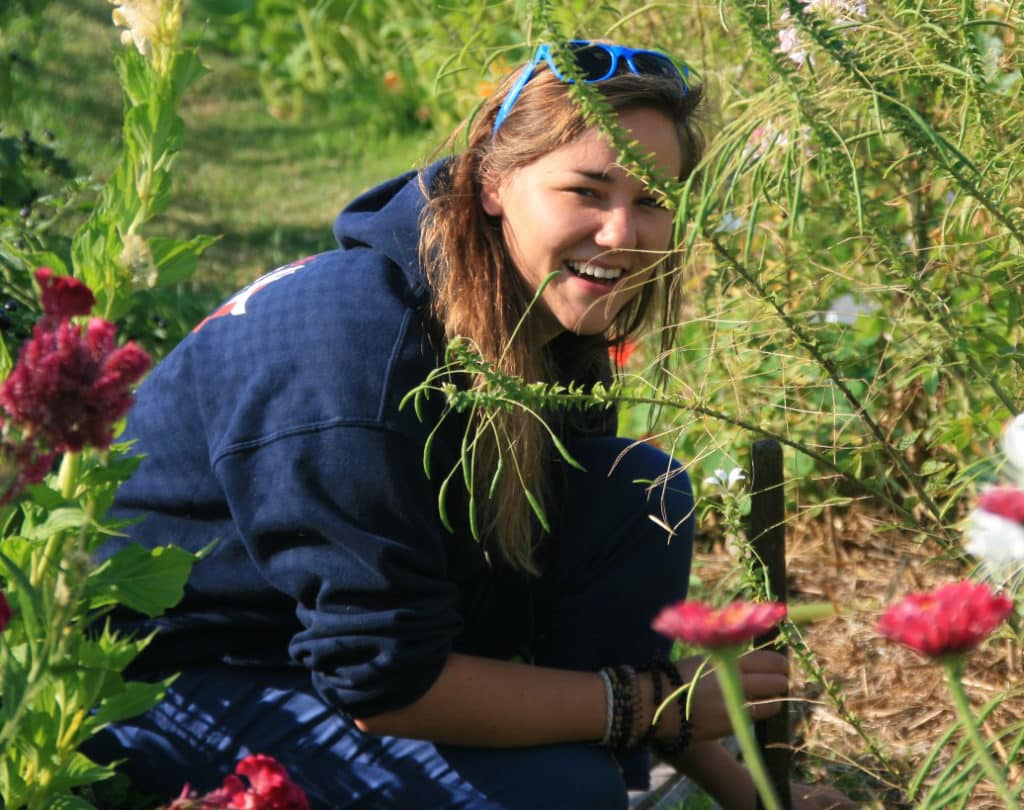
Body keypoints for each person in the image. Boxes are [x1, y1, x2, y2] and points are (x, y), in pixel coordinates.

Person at [87, 40, 854, 809]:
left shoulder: (543, 321)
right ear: (491, 182)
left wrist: (757, 797)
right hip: (156, 685)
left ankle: (588, 772)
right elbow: (380, 681)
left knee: (636, 497)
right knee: (561, 796)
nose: (621, 233)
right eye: (588, 190)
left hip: (325, 648)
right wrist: (645, 702)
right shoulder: (357, 346)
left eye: (652, 198)